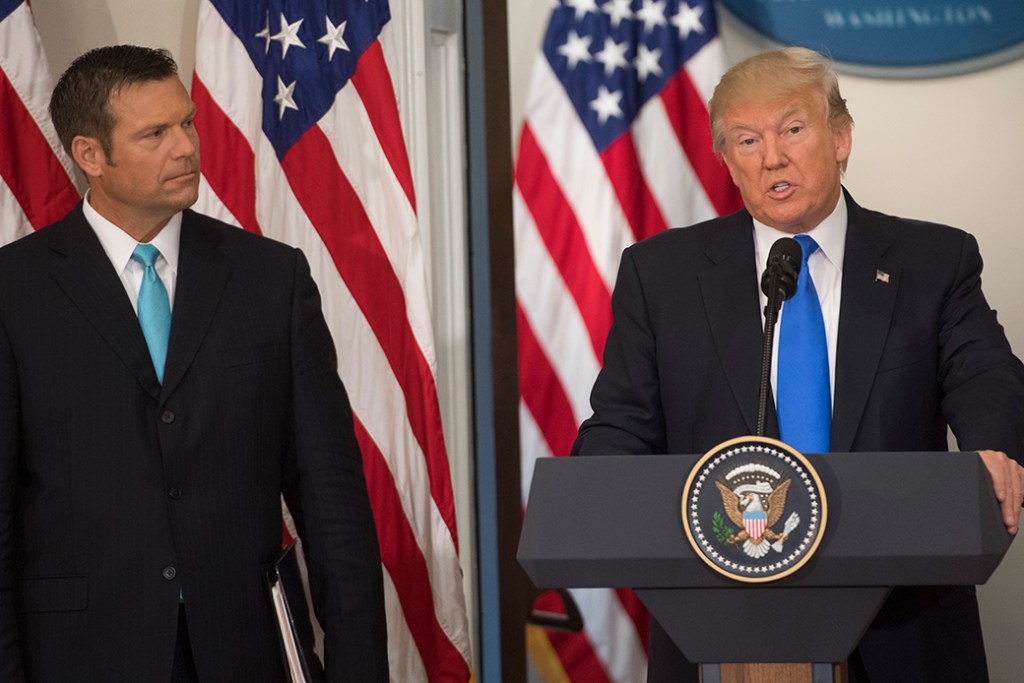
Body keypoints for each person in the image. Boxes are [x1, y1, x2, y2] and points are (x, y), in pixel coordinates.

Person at [572, 47, 1024, 682]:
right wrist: (593, 493)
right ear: (727, 161)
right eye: (747, 140)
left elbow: (985, 374)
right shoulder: (661, 274)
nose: (772, 157)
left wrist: (993, 444)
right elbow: (622, 419)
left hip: (903, 628)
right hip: (723, 630)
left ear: (840, 138)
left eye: (792, 129)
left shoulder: (933, 260)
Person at [0, 45, 388, 681]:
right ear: (90, 155)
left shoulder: (273, 279)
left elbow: (333, 504)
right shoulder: (15, 291)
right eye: (155, 133)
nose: (185, 147)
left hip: (247, 650)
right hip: (79, 657)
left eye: (187, 123)